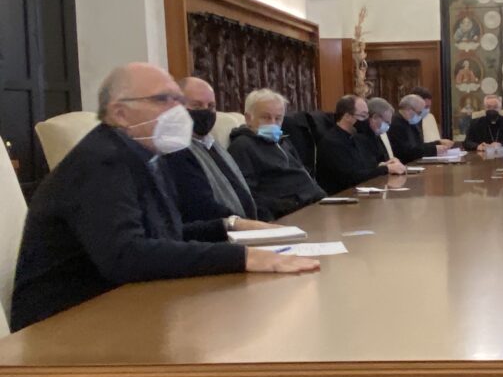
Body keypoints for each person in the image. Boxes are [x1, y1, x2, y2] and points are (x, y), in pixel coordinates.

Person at [10, 63, 320, 331]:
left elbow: (162, 235)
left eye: (178, 100)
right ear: (120, 112)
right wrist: (245, 257)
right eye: (163, 100)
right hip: (66, 328)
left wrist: (230, 227)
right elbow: (128, 255)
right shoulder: (102, 161)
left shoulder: (143, 156)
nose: (179, 111)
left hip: (124, 308)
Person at [161, 76, 259, 223]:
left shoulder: (213, 144)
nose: (205, 112)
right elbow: (201, 207)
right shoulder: (175, 150)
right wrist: (244, 225)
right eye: (197, 106)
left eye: (211, 106)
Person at [227, 88, 326, 219]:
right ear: (248, 118)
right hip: (288, 215)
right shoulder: (242, 146)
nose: (273, 123)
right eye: (266, 117)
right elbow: (248, 196)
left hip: (314, 206)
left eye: (278, 118)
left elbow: (304, 175)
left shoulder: (283, 142)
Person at [316, 95, 405, 193]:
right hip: (340, 198)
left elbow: (365, 168)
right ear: (347, 116)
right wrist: (385, 169)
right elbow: (352, 177)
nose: (367, 120)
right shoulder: (332, 142)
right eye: (363, 116)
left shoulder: (356, 138)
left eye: (367, 115)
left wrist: (383, 165)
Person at [389, 94, 454, 163]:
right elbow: (406, 152)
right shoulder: (395, 124)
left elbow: (419, 145)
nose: (420, 116)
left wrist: (438, 142)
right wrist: (434, 149)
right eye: (419, 113)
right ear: (408, 110)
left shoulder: (411, 122)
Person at [356, 96, 398, 162]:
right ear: (375, 117)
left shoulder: (375, 134)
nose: (388, 126)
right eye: (386, 122)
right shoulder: (360, 136)